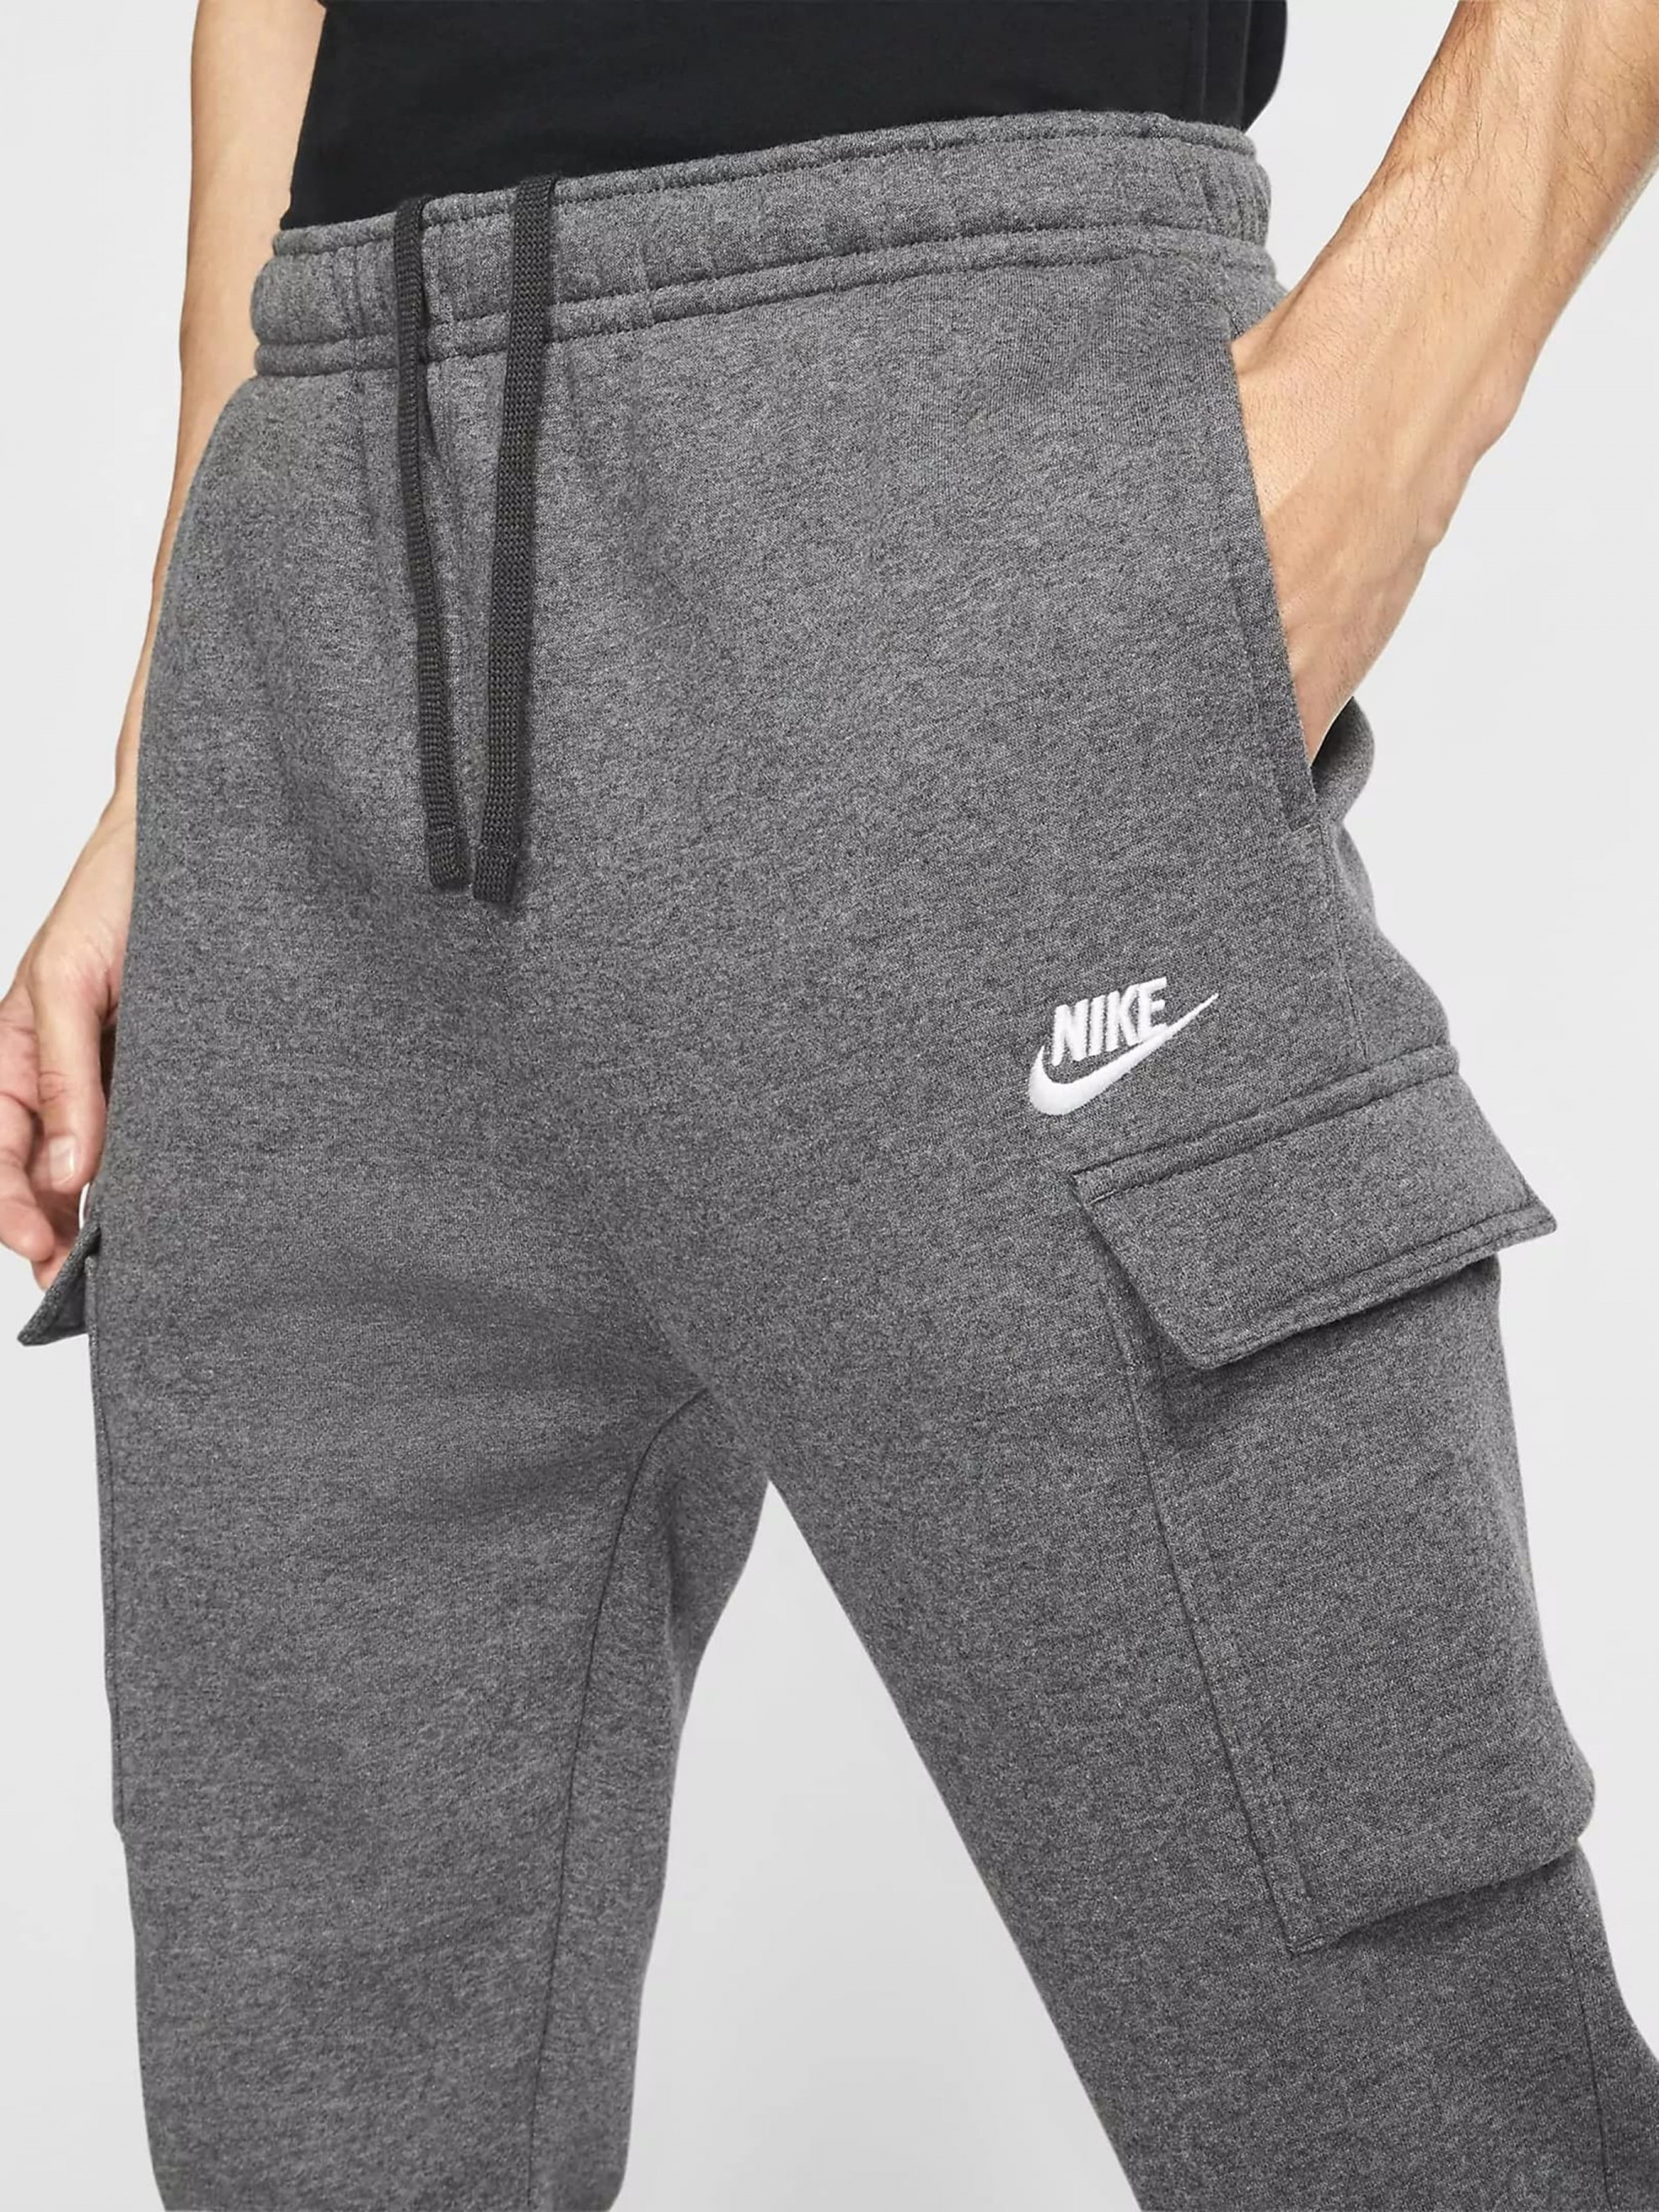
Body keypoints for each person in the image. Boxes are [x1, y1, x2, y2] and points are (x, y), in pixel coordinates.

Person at [6, 2, 1657, 2205]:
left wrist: (1391, 412)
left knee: (1408, 2116)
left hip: (962, 445)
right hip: (313, 601)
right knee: (317, 2141)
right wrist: (169, 747)